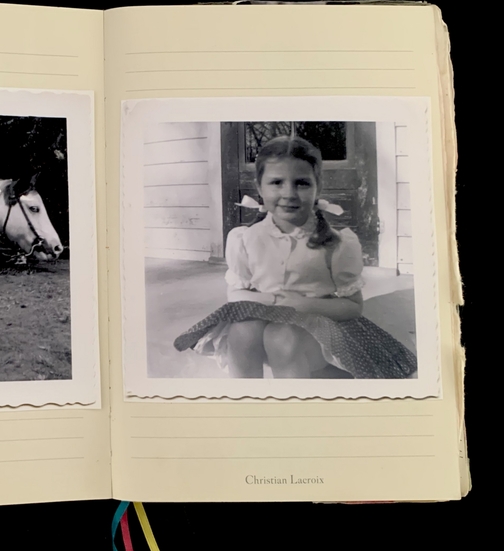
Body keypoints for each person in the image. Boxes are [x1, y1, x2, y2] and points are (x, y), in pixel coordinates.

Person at [173, 135, 417, 379]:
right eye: (276, 182)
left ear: (317, 187)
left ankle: (294, 409)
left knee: (281, 337)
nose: (289, 193)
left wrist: (298, 304)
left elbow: (352, 306)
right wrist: (275, 301)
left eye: (301, 183)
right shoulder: (245, 239)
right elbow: (235, 293)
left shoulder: (335, 242)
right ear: (259, 187)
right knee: (241, 333)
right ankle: (246, 406)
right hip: (265, 318)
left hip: (319, 328)